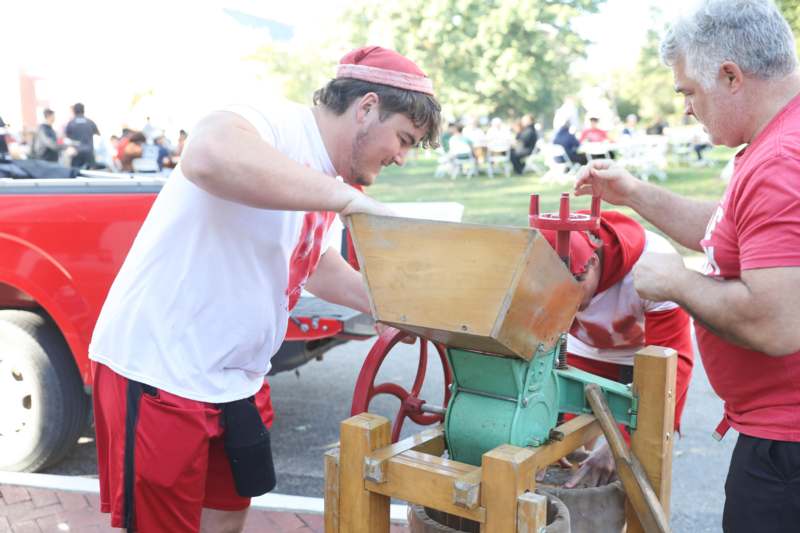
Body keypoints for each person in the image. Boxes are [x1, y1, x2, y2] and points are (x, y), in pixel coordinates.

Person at [88, 45, 440, 533]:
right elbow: (207, 155)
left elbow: (314, 263)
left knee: (229, 516)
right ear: (366, 107)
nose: (401, 157)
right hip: (162, 370)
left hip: (239, 379)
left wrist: (396, 305)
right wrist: (349, 203)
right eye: (402, 139)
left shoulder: (331, 179)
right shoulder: (274, 124)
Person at [574, 2, 800, 531]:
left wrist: (679, 282)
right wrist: (633, 193)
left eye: (689, 92)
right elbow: (735, 231)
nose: (687, 110)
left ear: (730, 76)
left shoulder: (780, 161)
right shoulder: (777, 142)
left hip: (786, 446)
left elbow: (776, 324)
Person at [538, 211, 693, 488]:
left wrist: (621, 443)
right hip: (583, 352)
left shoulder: (655, 264)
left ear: (593, 262)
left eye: (573, 292)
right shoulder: (541, 260)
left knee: (639, 465)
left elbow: (674, 364)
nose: (566, 305)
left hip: (646, 360)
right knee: (561, 449)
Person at [65, 102, 100, 169]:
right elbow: (98, 134)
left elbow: (67, 136)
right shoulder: (90, 122)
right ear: (83, 110)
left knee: (76, 174)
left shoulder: (71, 123)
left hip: (76, 152)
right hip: (89, 152)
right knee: (91, 175)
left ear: (74, 111)